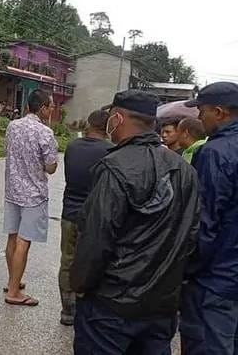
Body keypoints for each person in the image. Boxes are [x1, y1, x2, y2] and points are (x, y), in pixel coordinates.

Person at [71, 90, 200, 355]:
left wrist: (80, 285)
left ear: (117, 118)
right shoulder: (185, 171)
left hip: (112, 305)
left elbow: (96, 236)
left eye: (110, 116)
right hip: (160, 306)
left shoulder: (114, 166)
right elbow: (191, 236)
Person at [180, 82, 238, 354]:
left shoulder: (215, 153)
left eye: (201, 111)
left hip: (214, 279)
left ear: (219, 112)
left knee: (206, 345)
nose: (198, 117)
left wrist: (185, 270)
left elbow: (203, 221)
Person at [2, 89, 58, 307]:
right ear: (42, 108)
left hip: (12, 190)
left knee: (12, 237)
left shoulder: (12, 126)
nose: (52, 109)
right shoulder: (45, 133)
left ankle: (13, 281)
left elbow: (8, 151)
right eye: (50, 106)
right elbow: (51, 167)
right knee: (24, 242)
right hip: (33, 194)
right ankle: (13, 292)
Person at [58, 109, 111, 326]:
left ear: (89, 124)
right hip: (94, 217)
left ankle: (67, 310)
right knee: (91, 262)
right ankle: (85, 308)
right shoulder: (111, 151)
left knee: (67, 261)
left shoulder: (72, 146)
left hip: (69, 213)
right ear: (107, 128)